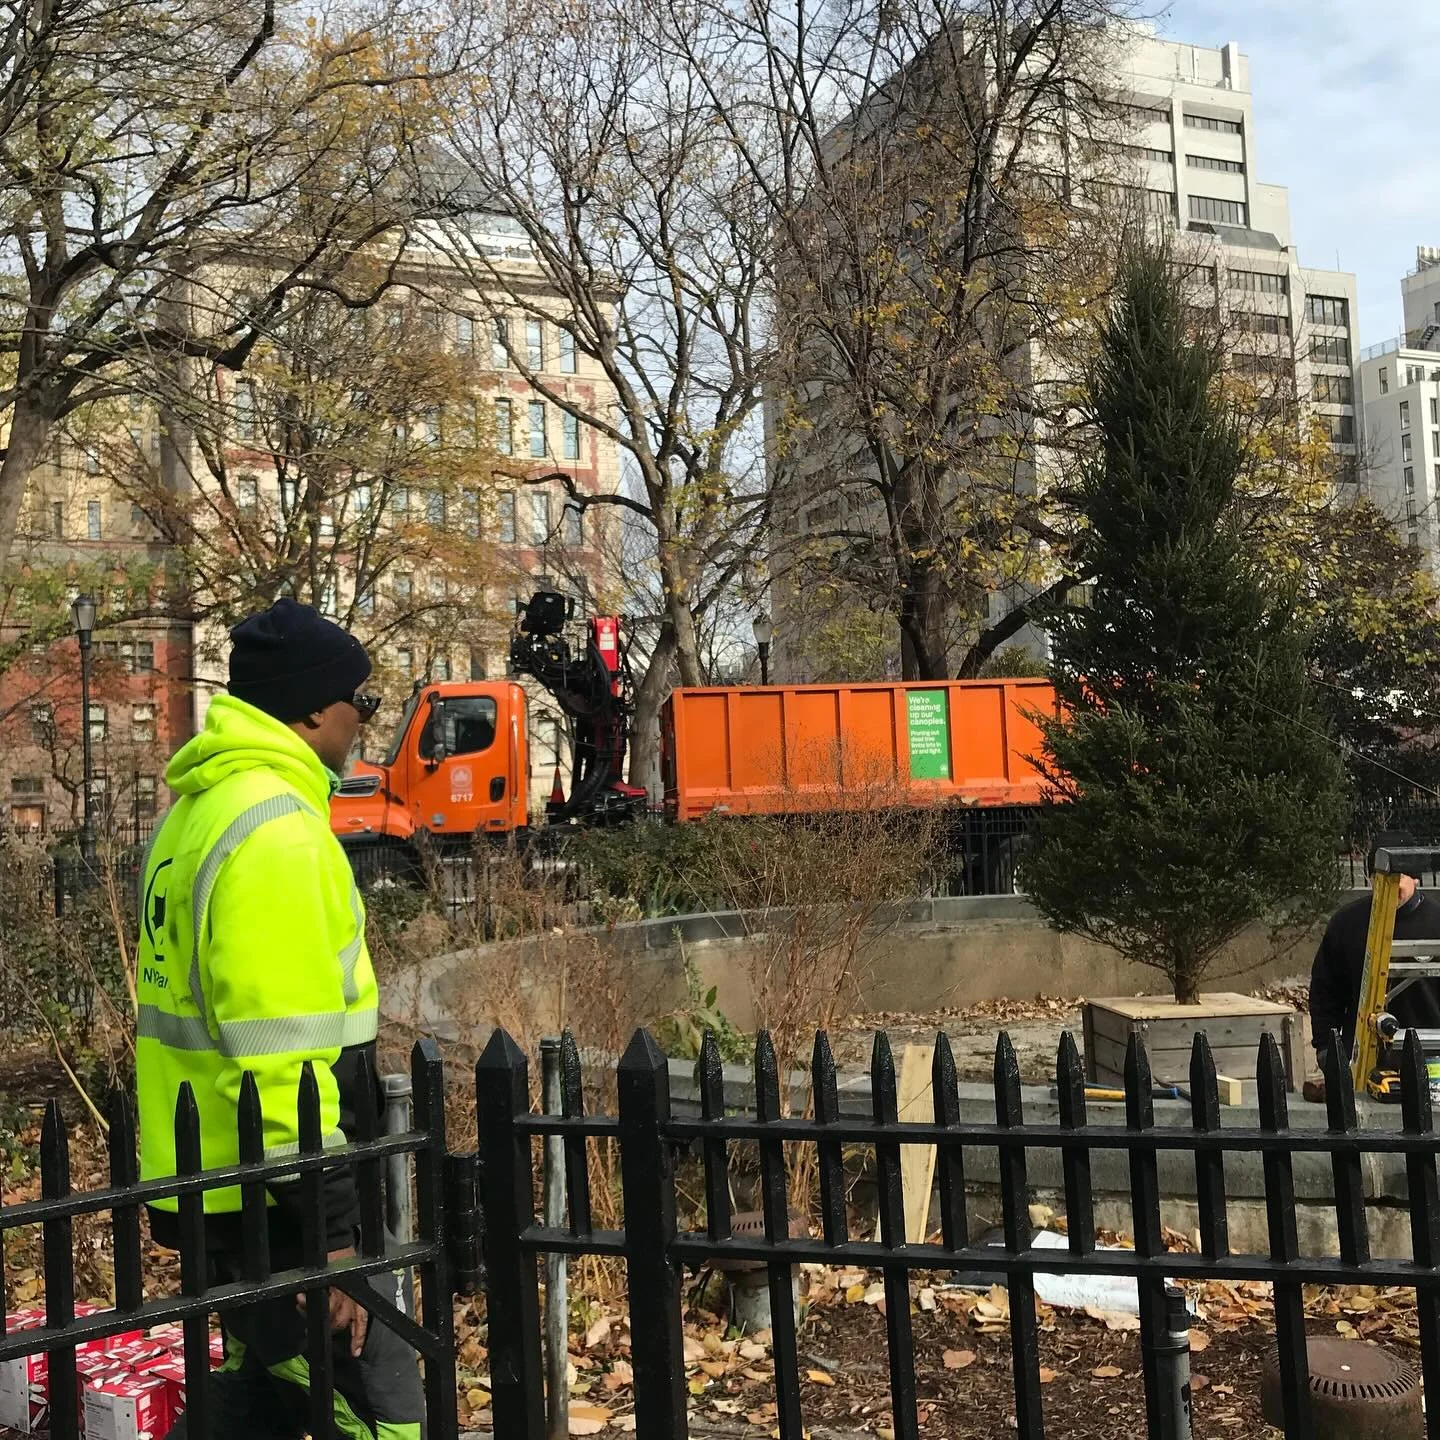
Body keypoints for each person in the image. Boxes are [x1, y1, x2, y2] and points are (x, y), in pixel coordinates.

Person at [135, 599, 423, 1440]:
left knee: (260, 1395)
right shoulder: (279, 833)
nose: (365, 723)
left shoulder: (196, 814)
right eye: (358, 704)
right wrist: (332, 1242)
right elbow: (283, 1061)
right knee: (389, 1410)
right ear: (308, 710)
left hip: (213, 1182)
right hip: (282, 1203)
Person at [1306, 841, 1440, 1102]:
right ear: (1371, 879)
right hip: (1365, 1062)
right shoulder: (1347, 924)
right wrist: (1325, 1047)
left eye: (1401, 876)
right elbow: (1325, 990)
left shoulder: (1436, 921)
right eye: (1385, 877)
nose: (1396, 885)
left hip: (1432, 1056)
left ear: (1416, 878)